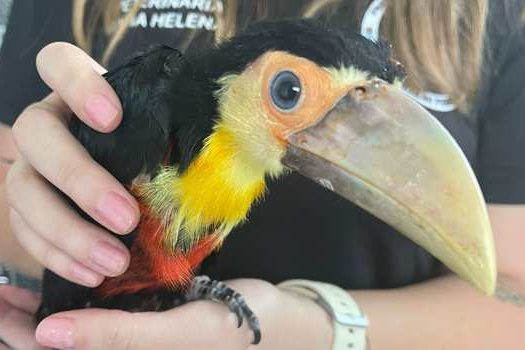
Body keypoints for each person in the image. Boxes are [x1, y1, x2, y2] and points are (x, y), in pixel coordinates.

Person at [2, 0, 525, 349]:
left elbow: (511, 301)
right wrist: (44, 189)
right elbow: (13, 218)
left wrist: (312, 327)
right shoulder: (159, 97)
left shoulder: (497, 20)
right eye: (289, 92)